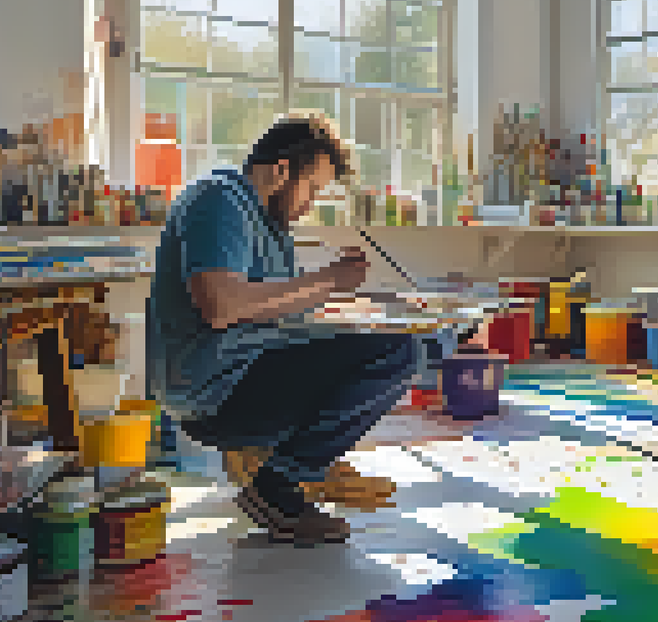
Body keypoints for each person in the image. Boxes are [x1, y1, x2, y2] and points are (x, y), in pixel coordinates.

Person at [146, 113, 440, 545]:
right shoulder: (219, 199)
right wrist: (329, 281)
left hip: (238, 374)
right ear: (282, 171)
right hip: (212, 390)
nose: (310, 204)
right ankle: (279, 486)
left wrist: (368, 308)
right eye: (312, 189)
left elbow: (278, 313)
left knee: (412, 342)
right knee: (399, 353)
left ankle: (298, 467)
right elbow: (222, 306)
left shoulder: (270, 224)